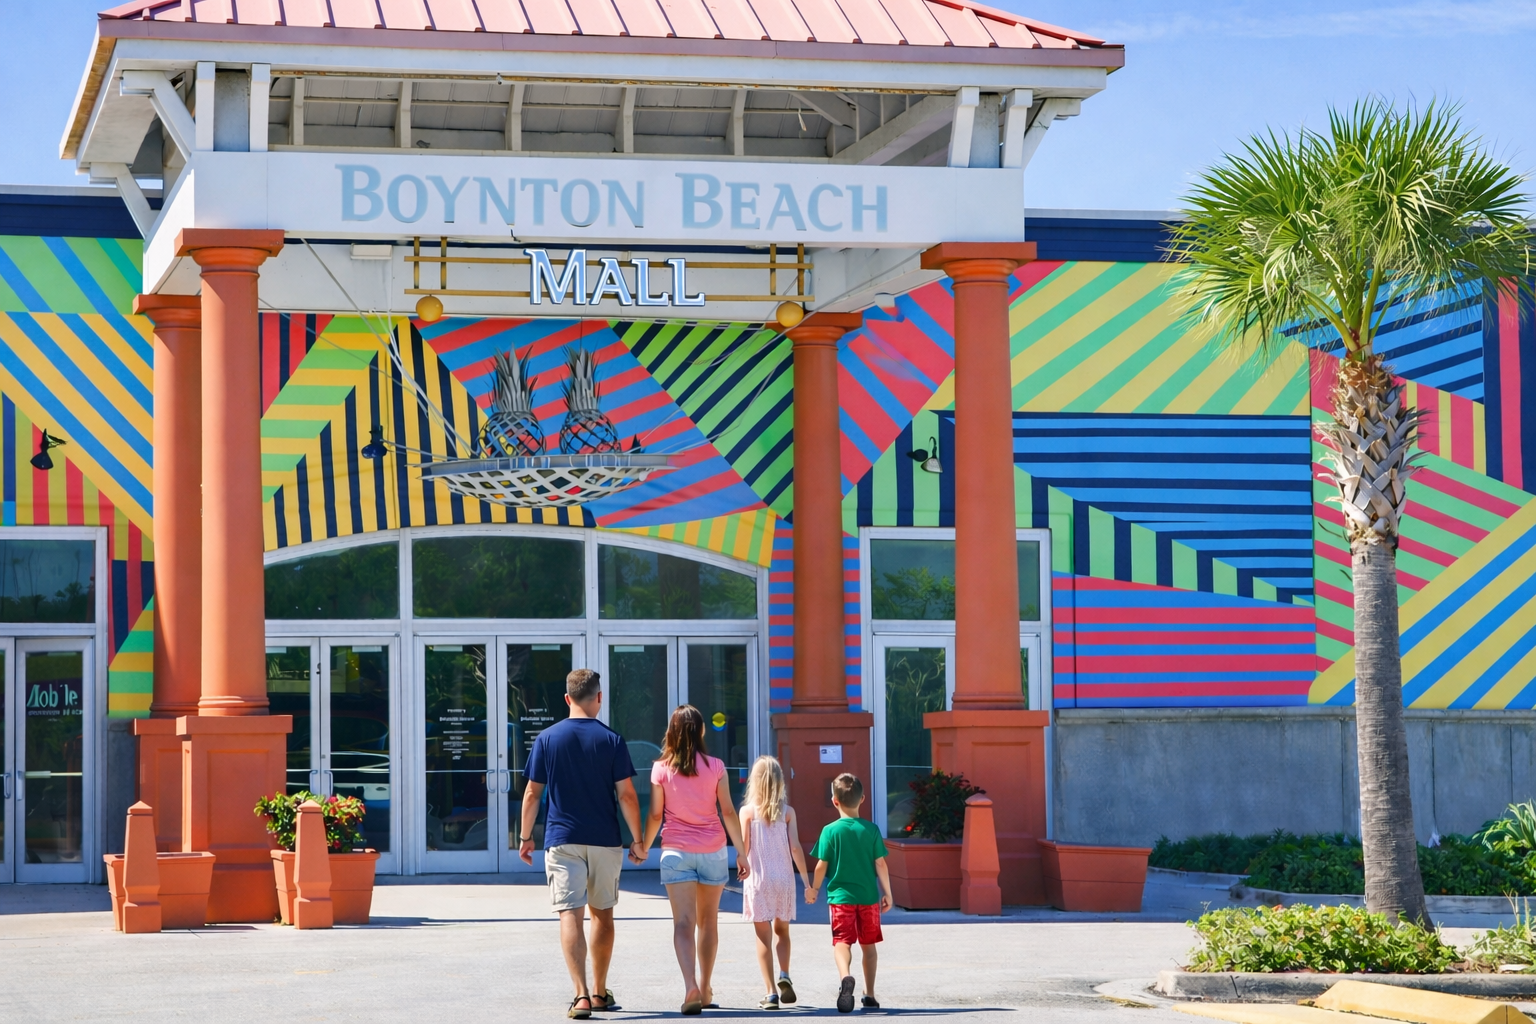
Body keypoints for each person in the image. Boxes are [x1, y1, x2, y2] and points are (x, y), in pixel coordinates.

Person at [520, 668, 647, 1020]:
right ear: (599, 697)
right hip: (605, 840)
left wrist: (526, 837)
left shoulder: (547, 739)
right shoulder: (612, 740)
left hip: (562, 840)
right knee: (602, 914)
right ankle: (600, 991)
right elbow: (628, 796)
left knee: (570, 914)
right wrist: (638, 840)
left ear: (567, 698)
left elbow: (532, 794)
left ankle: (580, 996)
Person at [641, 704, 750, 1015]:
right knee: (709, 922)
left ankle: (689, 984)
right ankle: (705, 987)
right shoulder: (716, 766)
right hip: (713, 850)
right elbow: (727, 811)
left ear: (671, 733)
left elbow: (655, 815)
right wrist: (741, 853)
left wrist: (643, 847)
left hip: (676, 852)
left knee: (683, 923)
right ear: (702, 730)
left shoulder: (660, 769)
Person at [805, 773, 893, 1014]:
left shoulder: (830, 831)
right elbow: (881, 863)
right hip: (868, 898)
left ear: (834, 801)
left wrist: (814, 889)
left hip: (840, 899)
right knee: (869, 946)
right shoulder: (871, 829)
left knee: (842, 942)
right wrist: (887, 892)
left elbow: (821, 865)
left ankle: (845, 977)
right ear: (862, 799)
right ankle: (870, 995)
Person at [737, 756, 812, 1010]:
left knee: (763, 936)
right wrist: (806, 882)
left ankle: (770, 993)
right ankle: (785, 974)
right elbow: (795, 847)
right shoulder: (787, 812)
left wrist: (741, 866)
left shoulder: (747, 812)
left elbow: (745, 847)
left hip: (758, 880)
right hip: (784, 880)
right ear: (780, 782)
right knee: (783, 932)